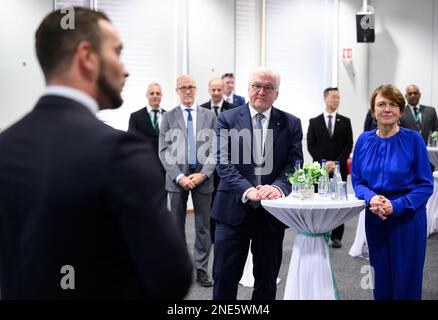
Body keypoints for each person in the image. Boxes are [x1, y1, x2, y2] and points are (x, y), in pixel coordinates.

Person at [0, 8, 192, 299]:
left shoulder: (6, 147)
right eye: (117, 52)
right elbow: (172, 278)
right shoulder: (121, 153)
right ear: (87, 57)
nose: (125, 69)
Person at [212, 68, 303, 300]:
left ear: (277, 93)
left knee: (266, 282)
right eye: (256, 86)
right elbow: (223, 163)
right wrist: (247, 190)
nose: (261, 91)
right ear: (249, 89)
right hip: (233, 210)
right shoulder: (227, 119)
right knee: (224, 279)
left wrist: (278, 187)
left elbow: (295, 163)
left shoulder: (291, 123)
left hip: (271, 214)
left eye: (268, 87)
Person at [351, 84, 433, 300]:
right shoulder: (363, 141)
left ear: (401, 111)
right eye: (381, 104)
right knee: (380, 282)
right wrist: (371, 198)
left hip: (408, 220)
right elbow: (358, 181)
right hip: (376, 218)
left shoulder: (413, 140)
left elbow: (425, 185)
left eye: (393, 104)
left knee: (406, 283)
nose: (387, 109)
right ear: (373, 111)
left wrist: (395, 206)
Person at [159, 75, 216, 287]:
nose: (187, 91)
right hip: (176, 180)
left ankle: (201, 270)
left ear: (196, 88)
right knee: (175, 226)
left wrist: (204, 173)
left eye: (191, 87)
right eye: (183, 88)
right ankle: (178, 268)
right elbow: (163, 151)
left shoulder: (209, 116)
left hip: (203, 178)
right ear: (177, 91)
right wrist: (179, 176)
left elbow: (216, 150)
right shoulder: (168, 117)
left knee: (203, 227)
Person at [307, 87, 353, 248]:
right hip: (320, 169)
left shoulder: (345, 121)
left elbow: (348, 145)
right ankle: (319, 231)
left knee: (338, 202)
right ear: (325, 98)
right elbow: (311, 146)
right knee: (320, 200)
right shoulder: (314, 122)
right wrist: (324, 163)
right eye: (334, 97)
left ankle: (337, 236)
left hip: (339, 170)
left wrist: (336, 163)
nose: (337, 100)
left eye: (339, 97)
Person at [200, 77, 236, 244]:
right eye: (213, 90)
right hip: (206, 162)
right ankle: (212, 236)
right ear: (209, 90)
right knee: (209, 200)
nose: (215, 93)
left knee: (224, 197)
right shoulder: (201, 109)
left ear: (223, 90)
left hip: (227, 162)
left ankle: (226, 231)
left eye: (218, 90)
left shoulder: (234, 110)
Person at [128, 83, 166, 151]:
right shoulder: (135, 117)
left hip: (164, 159)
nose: (155, 96)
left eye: (158, 93)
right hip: (144, 158)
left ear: (161, 96)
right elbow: (131, 141)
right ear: (147, 96)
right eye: (152, 93)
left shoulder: (169, 116)